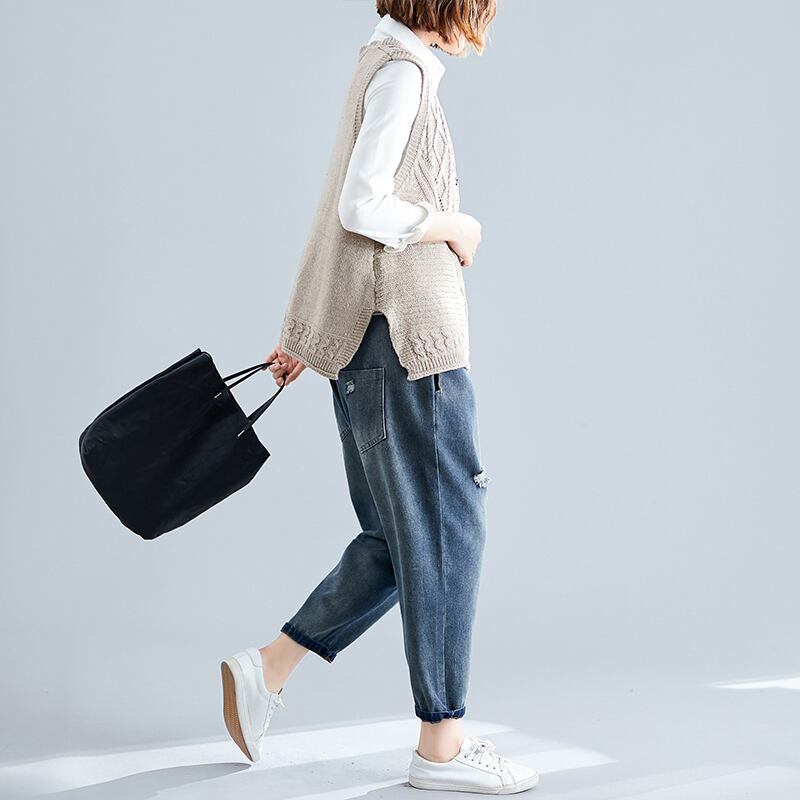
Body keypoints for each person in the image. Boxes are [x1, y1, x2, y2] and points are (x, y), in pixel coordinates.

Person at [221, 2, 539, 793]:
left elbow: (336, 226)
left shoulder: (383, 63)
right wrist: (456, 225)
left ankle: (270, 668)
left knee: (400, 540)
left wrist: (306, 336)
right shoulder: (402, 75)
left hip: (372, 350)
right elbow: (358, 208)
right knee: (447, 535)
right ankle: (442, 745)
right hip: (409, 350)